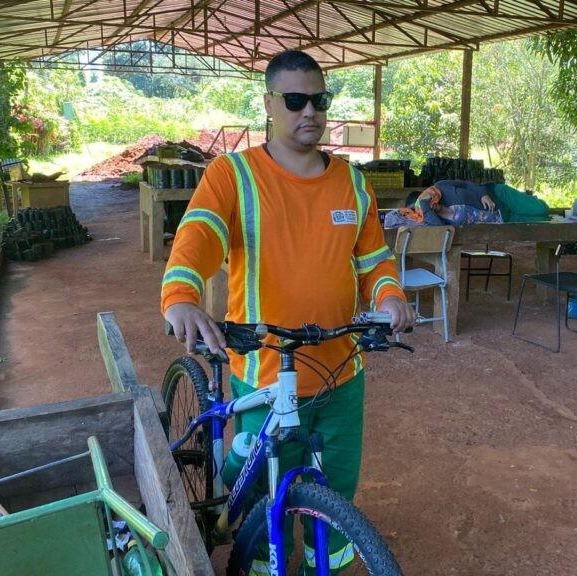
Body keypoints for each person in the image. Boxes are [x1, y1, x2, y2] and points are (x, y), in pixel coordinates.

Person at [160, 50, 414, 574]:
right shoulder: (234, 175)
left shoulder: (352, 182)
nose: (310, 112)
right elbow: (198, 236)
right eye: (295, 100)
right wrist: (181, 295)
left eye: (319, 100)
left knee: (335, 492)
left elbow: (375, 260)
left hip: (342, 375)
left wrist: (390, 296)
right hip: (265, 372)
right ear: (270, 104)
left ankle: (329, 564)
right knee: (258, 496)